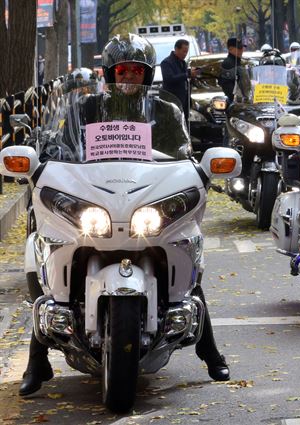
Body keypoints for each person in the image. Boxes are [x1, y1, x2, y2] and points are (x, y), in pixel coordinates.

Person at [19, 33, 230, 398]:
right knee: (44, 254)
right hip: (93, 195)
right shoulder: (83, 108)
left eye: (136, 71)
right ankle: (37, 360)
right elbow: (60, 147)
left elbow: (181, 153)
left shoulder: (165, 110)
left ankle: (208, 351)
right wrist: (46, 162)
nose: (129, 77)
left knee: (186, 259)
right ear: (109, 72)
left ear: (146, 76)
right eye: (123, 70)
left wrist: (193, 170)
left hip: (146, 196)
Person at [161, 38, 199, 119]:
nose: (185, 54)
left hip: (184, 99)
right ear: (176, 49)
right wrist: (188, 74)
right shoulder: (166, 62)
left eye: (187, 52)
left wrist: (192, 76)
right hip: (173, 99)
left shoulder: (183, 62)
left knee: (185, 121)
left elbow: (186, 78)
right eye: (184, 51)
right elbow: (169, 78)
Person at [219, 37, 248, 102]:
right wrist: (239, 98)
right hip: (235, 102)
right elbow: (227, 87)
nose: (242, 50)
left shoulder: (238, 62)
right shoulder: (228, 63)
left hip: (242, 100)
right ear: (230, 49)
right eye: (239, 48)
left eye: (242, 47)